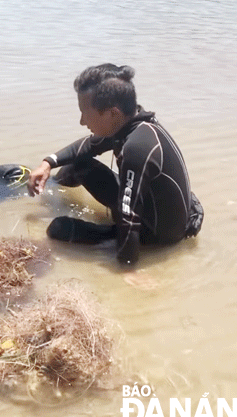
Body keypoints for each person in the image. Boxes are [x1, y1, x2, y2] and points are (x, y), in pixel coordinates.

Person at [28, 63, 203, 266]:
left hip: (156, 235)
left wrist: (127, 267)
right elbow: (86, 146)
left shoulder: (136, 149)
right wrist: (47, 164)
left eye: (85, 113)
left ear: (112, 113)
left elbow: (129, 213)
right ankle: (47, 191)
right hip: (149, 207)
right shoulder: (132, 125)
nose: (82, 121)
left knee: (58, 229)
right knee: (78, 165)